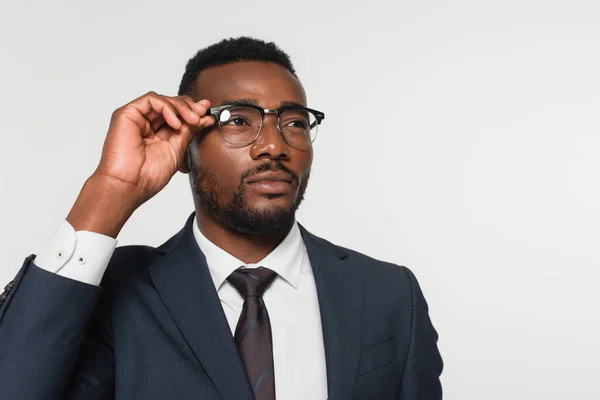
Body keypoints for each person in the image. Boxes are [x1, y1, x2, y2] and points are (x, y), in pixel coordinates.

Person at [0, 37, 443, 400]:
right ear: (185, 147)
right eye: (237, 120)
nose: (274, 145)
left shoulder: (388, 293)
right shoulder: (118, 292)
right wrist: (111, 190)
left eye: (294, 122)